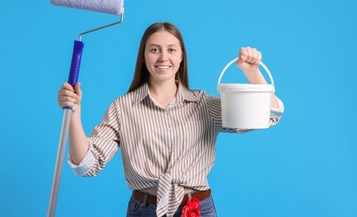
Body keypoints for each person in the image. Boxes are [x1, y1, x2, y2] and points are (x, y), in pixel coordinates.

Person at [57, 22, 284, 217]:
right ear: (144, 56)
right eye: (154, 49)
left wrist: (252, 71)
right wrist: (74, 113)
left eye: (171, 50)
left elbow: (267, 114)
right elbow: (86, 164)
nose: (163, 57)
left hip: (196, 209)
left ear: (181, 56)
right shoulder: (122, 108)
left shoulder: (204, 105)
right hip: (144, 210)